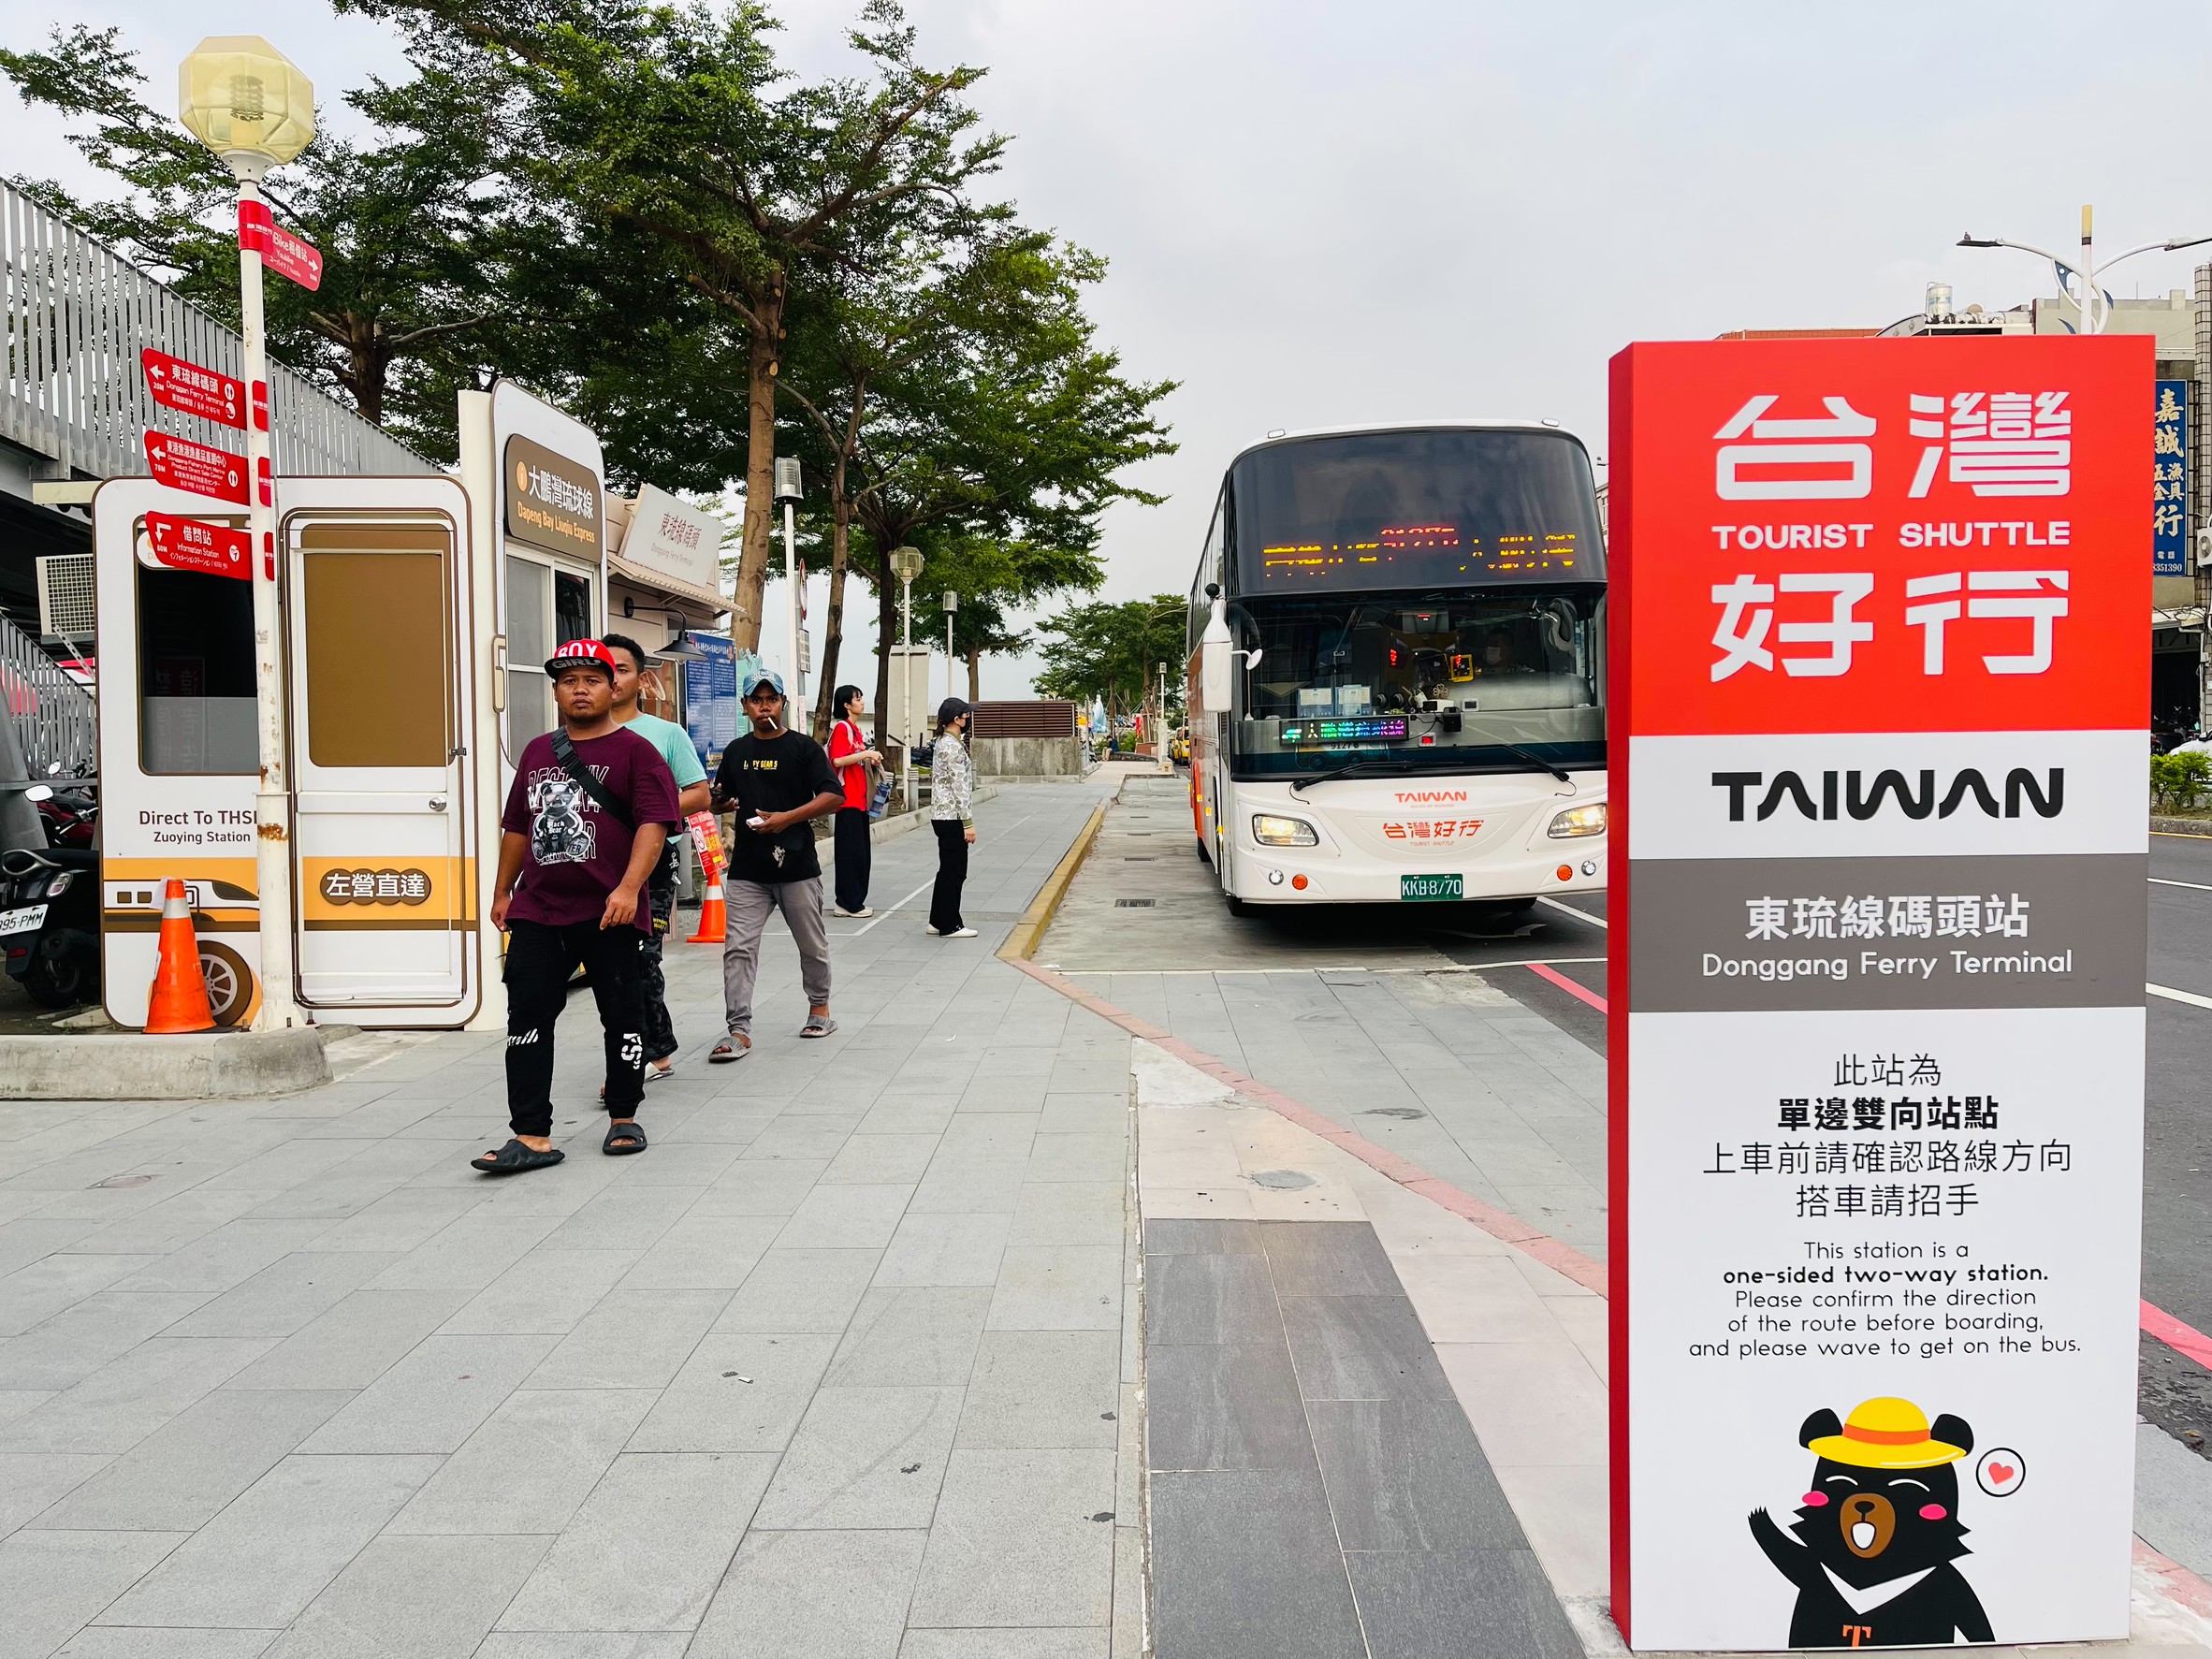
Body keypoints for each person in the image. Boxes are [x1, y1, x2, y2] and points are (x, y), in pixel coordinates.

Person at [475, 638, 680, 1174]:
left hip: (610, 911)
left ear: (614, 688)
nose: (580, 690)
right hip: (539, 911)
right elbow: (518, 825)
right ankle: (531, 1135)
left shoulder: (637, 752)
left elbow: (654, 825)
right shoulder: (538, 752)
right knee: (526, 1019)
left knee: (623, 1017)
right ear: (556, 693)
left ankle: (624, 1117)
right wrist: (503, 890)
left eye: (592, 680)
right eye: (569, 682)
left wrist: (629, 888)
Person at [707, 668, 846, 1061]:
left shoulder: (803, 748)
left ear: (782, 702)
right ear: (745, 706)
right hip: (748, 870)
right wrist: (719, 802)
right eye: (757, 700)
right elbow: (720, 799)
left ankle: (820, 1009)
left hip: (797, 865)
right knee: (738, 948)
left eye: (771, 699)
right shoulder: (736, 751)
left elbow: (834, 796)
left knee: (811, 944)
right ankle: (738, 1029)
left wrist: (788, 818)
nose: (764, 707)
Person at [603, 633, 713, 1084]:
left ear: (641, 678)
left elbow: (699, 794)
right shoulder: (572, 737)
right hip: (596, 862)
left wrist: (647, 814)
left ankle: (647, 1053)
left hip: (652, 861)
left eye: (622, 669)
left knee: (642, 956)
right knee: (611, 963)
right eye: (603, 670)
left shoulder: (666, 734)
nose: (612, 679)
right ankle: (654, 1046)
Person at [825, 683, 883, 917]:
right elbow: (838, 760)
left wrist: (869, 759)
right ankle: (847, 903)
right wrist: (867, 753)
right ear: (846, 705)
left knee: (861, 854)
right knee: (850, 855)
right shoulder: (842, 728)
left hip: (860, 801)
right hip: (847, 802)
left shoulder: (855, 730)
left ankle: (855, 900)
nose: (862, 702)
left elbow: (853, 759)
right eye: (857, 699)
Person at [927, 697, 978, 939]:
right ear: (957, 719)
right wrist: (968, 823)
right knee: (955, 870)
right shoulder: (952, 747)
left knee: (946, 869)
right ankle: (950, 925)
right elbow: (960, 787)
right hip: (952, 816)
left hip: (943, 814)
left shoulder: (944, 741)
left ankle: (937, 920)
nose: (969, 718)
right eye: (966, 715)